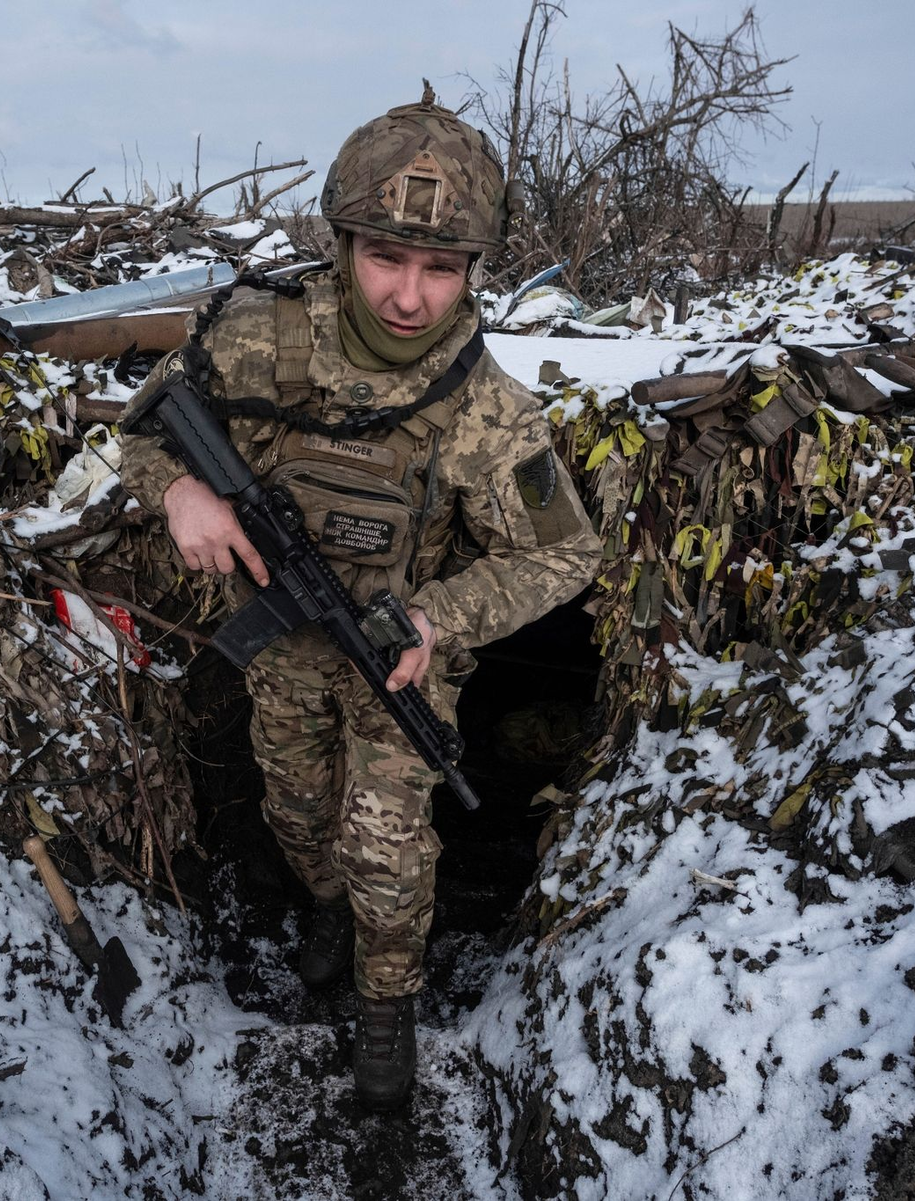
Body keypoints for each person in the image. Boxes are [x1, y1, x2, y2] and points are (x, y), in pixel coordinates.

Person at [120, 92, 602, 1111]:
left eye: (442, 268)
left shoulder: (486, 408)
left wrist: (440, 620)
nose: (411, 296)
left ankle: (388, 1007)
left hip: (398, 656)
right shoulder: (257, 339)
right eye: (387, 256)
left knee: (389, 841)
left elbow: (565, 558)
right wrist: (180, 494)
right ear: (341, 243)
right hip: (281, 646)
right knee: (297, 811)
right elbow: (143, 425)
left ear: (475, 270)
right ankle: (326, 911)